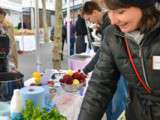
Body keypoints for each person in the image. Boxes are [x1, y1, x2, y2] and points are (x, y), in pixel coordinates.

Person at [78, 0, 160, 120]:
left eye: (120, 12)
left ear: (144, 6)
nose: (113, 21)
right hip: (137, 113)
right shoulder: (113, 35)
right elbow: (99, 87)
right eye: (109, 12)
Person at [81, 1, 127, 120]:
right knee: (108, 99)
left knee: (118, 101)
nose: (90, 22)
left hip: (120, 69)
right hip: (115, 67)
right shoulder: (105, 24)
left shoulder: (109, 24)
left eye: (90, 18)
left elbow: (102, 51)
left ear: (95, 12)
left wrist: (86, 69)